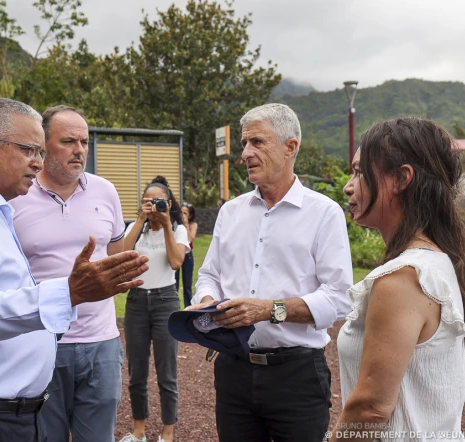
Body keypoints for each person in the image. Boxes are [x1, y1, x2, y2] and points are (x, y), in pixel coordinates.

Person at [0, 97, 149, 442]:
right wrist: (69, 293)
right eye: (29, 150)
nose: (37, 163)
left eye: (40, 152)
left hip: (5, 414)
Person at [187, 103, 353, 442]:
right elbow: (210, 275)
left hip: (297, 375)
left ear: (290, 147)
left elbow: (338, 298)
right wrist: (207, 301)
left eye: (257, 142)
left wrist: (269, 309)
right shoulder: (230, 212)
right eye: (245, 144)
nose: (245, 153)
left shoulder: (324, 213)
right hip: (232, 371)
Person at [331, 117, 465, 442]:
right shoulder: (440, 261)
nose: (348, 185)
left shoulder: (403, 278)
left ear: (401, 178)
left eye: (359, 172)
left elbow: (370, 408)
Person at [11, 105, 126, 442]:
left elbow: (115, 259)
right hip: (42, 340)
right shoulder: (17, 196)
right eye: (69, 141)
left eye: (85, 142)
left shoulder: (105, 192)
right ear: (43, 145)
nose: (80, 150)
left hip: (101, 343)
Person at [120, 176, 189, 442]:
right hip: (136, 302)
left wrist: (166, 226)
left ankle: (167, 434)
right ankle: (138, 432)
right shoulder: (136, 229)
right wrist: (140, 220)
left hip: (165, 303)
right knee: (137, 373)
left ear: (168, 203)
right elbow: (122, 255)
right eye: (146, 202)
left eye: (158, 202)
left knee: (167, 373)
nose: (152, 206)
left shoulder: (178, 229)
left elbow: (175, 262)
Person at [175, 203, 198, 307]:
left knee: (187, 285)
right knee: (174, 284)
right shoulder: (176, 225)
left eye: (185, 213)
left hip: (187, 255)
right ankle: (174, 307)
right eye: (181, 212)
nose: (183, 215)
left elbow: (190, 239)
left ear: (190, 215)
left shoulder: (193, 225)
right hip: (176, 254)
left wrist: (186, 226)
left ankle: (188, 307)